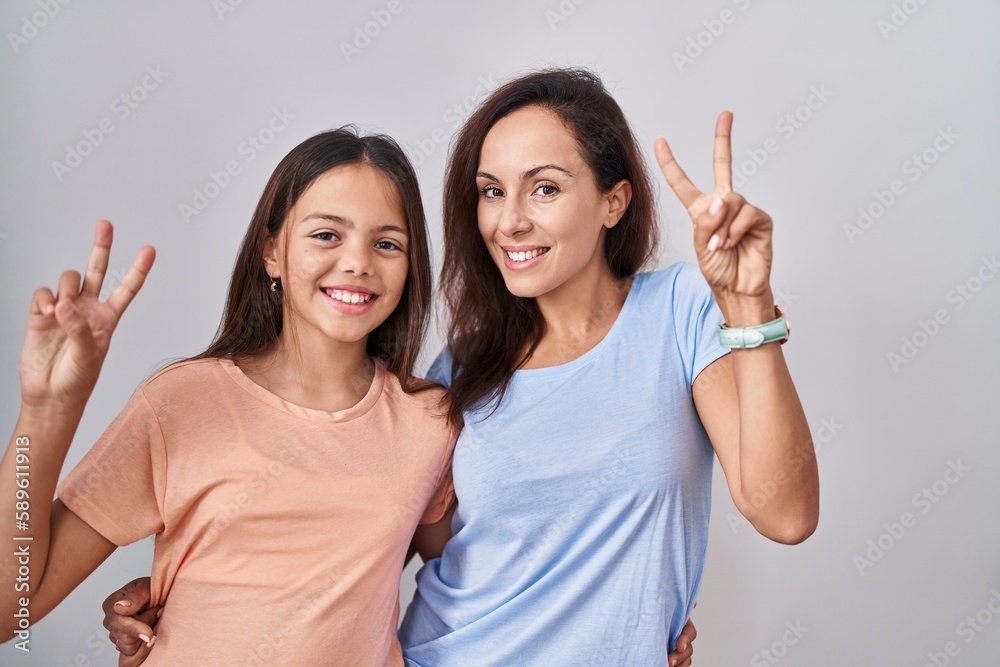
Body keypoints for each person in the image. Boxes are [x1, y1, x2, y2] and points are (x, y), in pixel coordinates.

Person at [106, 66, 812, 666]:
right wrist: (192, 592)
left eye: (544, 188)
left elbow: (783, 511)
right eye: (491, 189)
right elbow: (353, 542)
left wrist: (749, 300)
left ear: (612, 201)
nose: (509, 221)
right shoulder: (460, 373)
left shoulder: (682, 312)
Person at [0, 128, 459, 666]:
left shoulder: (430, 421)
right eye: (327, 235)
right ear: (271, 252)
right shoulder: (181, 404)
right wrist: (46, 410)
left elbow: (465, 579)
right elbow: (10, 612)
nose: (358, 261)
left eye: (387, 243)